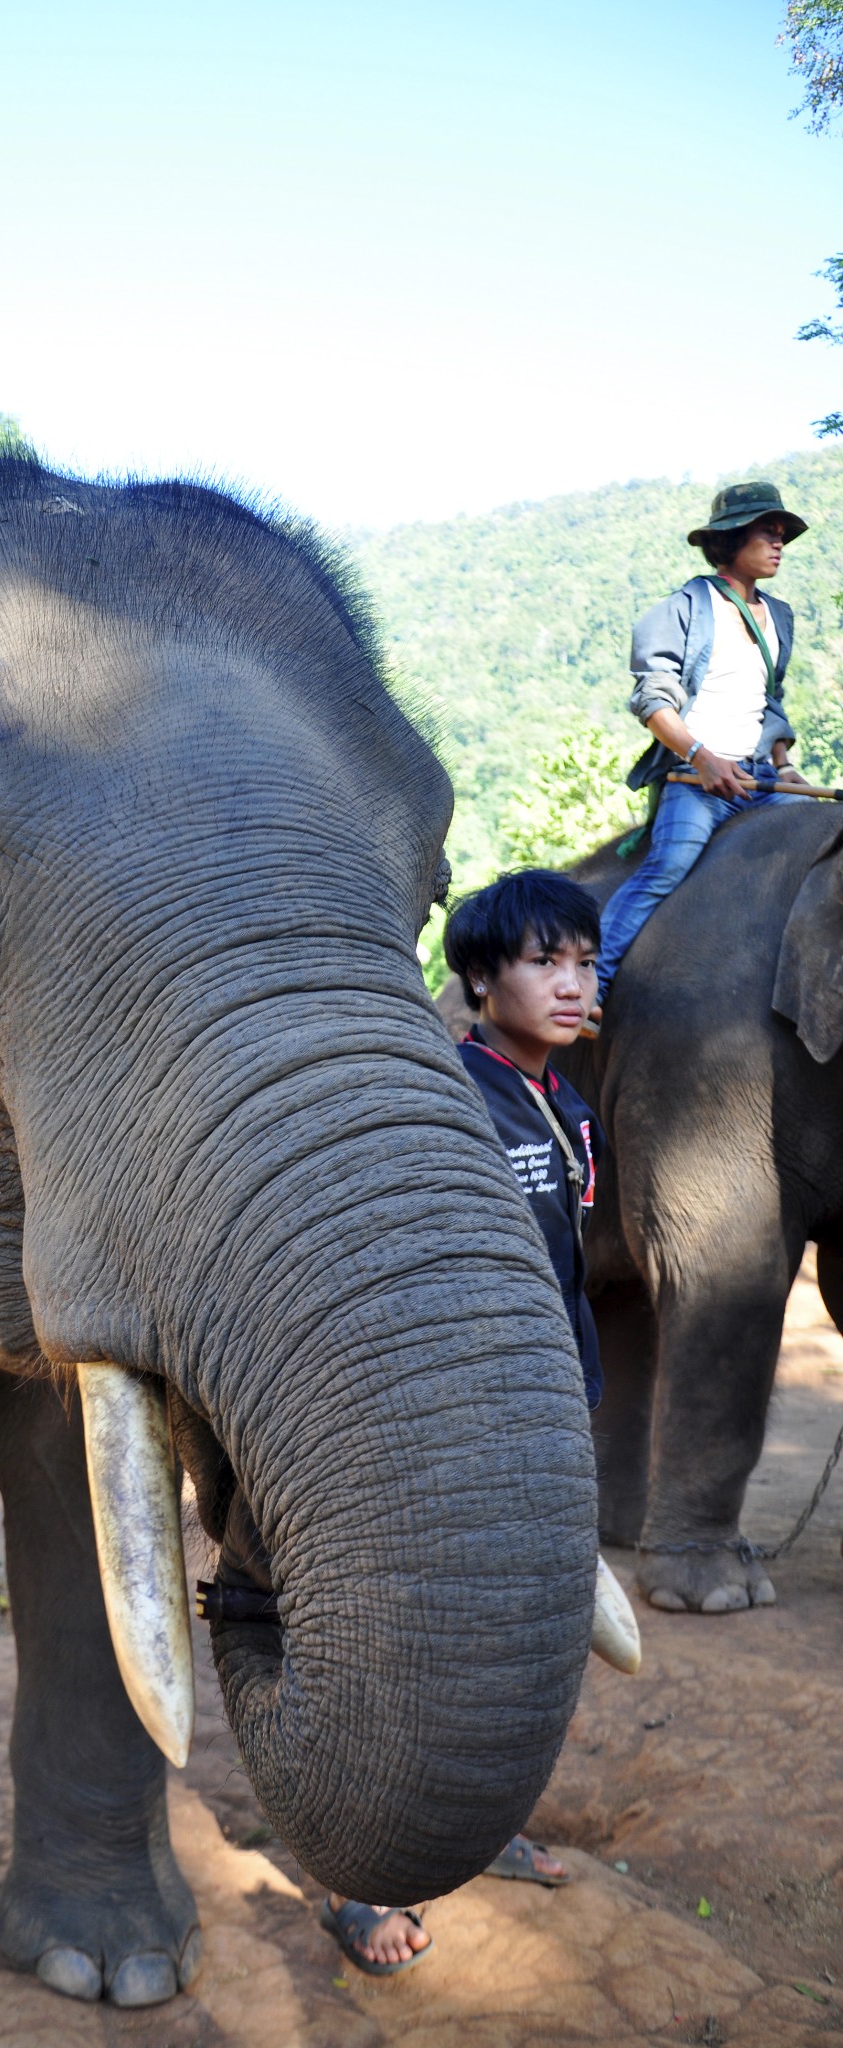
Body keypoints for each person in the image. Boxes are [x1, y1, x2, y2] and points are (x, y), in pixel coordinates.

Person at [320, 868, 608, 1977]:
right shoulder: (450, 1089)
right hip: (459, 1417)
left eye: (583, 961)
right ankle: (365, 1872)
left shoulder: (562, 1102)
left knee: (524, 1637)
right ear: (480, 978)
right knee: (420, 1636)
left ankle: (475, 1824)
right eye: (545, 962)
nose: (573, 984)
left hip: (549, 1397)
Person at [591, 480, 810, 1026]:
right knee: (667, 867)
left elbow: (770, 702)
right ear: (731, 539)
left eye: (782, 535)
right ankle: (592, 986)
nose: (778, 544)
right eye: (767, 532)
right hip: (696, 781)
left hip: (762, 782)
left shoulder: (779, 616)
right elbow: (652, 700)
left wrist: (785, 766)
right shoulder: (684, 607)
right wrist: (702, 757)